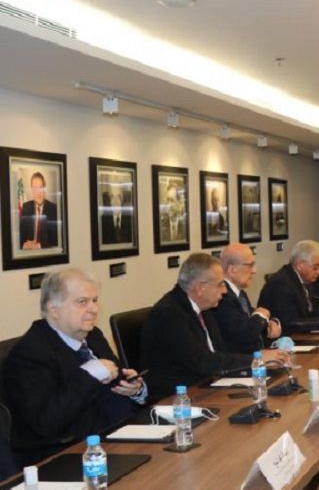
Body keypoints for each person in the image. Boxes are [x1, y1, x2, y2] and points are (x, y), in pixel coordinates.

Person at [3, 269, 146, 464]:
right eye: (82, 302)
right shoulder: (30, 354)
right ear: (54, 309)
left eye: (94, 300)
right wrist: (89, 375)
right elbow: (46, 422)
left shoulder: (93, 335)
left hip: (123, 434)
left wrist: (135, 389)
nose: (94, 309)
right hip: (74, 453)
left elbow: (118, 382)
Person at [142, 253, 288, 399]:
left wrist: (260, 357)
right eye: (220, 284)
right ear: (200, 288)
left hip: (208, 385)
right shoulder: (170, 313)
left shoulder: (203, 307)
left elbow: (220, 351)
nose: (224, 290)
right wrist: (255, 360)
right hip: (178, 397)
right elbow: (202, 361)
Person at [259, 240, 319, 334]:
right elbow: (290, 323)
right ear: (300, 265)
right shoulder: (282, 283)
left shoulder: (301, 280)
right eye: (315, 267)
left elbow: (307, 314)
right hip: (283, 339)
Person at [211, 243, 280, 354]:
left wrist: (270, 322)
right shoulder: (222, 297)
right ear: (232, 269)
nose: (254, 271)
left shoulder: (239, 293)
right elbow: (244, 334)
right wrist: (261, 316)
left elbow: (251, 318)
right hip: (238, 360)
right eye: (250, 265)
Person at [18, 171, 59, 249]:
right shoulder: (26, 207)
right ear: (31, 190)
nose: (39, 192)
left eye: (41, 187)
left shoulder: (53, 209)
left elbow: (56, 240)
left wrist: (39, 246)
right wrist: (24, 245)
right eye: (35, 188)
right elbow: (20, 237)